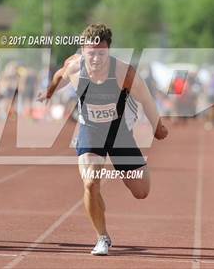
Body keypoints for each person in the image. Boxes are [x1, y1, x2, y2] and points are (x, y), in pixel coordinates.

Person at [38, 24, 168, 255]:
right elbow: (59, 75)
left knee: (141, 191)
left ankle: (114, 178)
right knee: (90, 182)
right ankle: (102, 237)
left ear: (109, 50)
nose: (96, 58)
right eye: (91, 52)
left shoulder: (124, 73)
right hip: (90, 129)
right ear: (82, 50)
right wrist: (49, 92)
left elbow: (147, 99)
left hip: (119, 133)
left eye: (101, 52)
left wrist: (158, 127)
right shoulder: (74, 67)